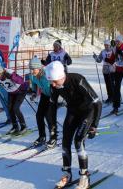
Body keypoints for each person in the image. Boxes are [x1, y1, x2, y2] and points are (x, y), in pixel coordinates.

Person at [44, 61, 102, 189]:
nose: (52, 84)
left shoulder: (78, 79)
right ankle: (66, 174)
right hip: (73, 112)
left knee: (78, 142)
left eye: (54, 81)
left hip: (87, 112)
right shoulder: (54, 85)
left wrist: (94, 126)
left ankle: (84, 176)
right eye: (51, 82)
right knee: (65, 142)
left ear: (62, 76)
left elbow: (97, 102)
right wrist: (52, 129)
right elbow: (52, 107)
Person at [28, 56, 57, 148]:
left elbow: (56, 84)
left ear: (39, 68)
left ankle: (53, 138)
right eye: (31, 69)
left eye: (34, 69)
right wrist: (33, 93)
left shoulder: (47, 74)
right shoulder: (32, 75)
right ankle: (42, 137)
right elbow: (34, 85)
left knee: (48, 116)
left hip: (53, 96)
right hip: (44, 95)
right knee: (39, 115)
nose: (32, 71)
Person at [0, 64, 28, 135]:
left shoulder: (10, 72)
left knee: (16, 108)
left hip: (20, 90)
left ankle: (23, 126)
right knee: (10, 108)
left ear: (2, 72)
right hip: (11, 92)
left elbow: (21, 81)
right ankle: (15, 126)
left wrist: (12, 76)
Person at [93, 39, 115, 104]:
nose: (106, 46)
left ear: (110, 45)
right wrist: (95, 57)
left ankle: (114, 97)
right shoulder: (102, 52)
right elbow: (99, 60)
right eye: (105, 45)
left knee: (112, 84)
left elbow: (115, 59)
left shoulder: (113, 51)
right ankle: (110, 97)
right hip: (105, 69)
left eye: (107, 45)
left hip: (112, 69)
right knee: (108, 84)